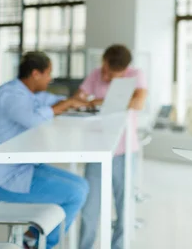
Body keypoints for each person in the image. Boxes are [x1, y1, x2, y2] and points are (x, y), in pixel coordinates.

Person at [0, 51, 90, 249]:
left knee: (82, 185)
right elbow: (33, 120)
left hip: (22, 169)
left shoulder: (27, 93)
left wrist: (71, 99)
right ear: (35, 74)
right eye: (48, 74)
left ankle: (31, 239)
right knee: (76, 193)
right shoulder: (10, 94)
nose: (50, 79)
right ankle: (36, 243)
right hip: (2, 179)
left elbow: (49, 100)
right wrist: (66, 104)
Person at [75, 44, 148, 249]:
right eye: (104, 69)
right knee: (90, 209)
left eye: (111, 73)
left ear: (124, 70)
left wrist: (97, 101)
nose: (105, 75)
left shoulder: (135, 75)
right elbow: (79, 99)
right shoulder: (96, 74)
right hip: (96, 149)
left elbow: (139, 103)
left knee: (123, 207)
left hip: (124, 151)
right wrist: (101, 101)